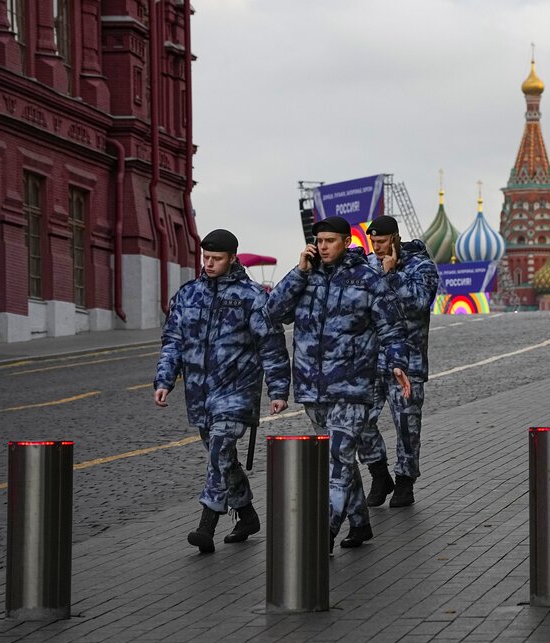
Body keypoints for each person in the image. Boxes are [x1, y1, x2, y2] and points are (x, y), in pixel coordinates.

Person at [267, 216, 412, 552]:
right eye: (319, 241)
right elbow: (272, 313)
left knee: (337, 460)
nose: (323, 247)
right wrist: (298, 272)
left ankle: (323, 535)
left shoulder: (367, 279)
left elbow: (391, 326)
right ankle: (359, 524)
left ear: (347, 241)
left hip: (351, 386)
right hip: (312, 388)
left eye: (330, 241)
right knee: (342, 461)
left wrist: (397, 364)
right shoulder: (306, 277)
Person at [153, 228, 290, 554]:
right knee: (223, 456)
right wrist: (164, 380)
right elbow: (173, 342)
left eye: (216, 258)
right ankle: (246, 514)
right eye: (206, 257)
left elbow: (271, 346)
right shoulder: (188, 295)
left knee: (219, 451)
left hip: (238, 390)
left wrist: (278, 390)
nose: (209, 263)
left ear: (232, 258)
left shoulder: (252, 297)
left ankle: (207, 524)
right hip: (200, 393)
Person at [357, 215, 440, 508]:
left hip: (407, 361)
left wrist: (392, 275)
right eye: (373, 241)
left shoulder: (422, 266)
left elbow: (418, 304)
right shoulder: (366, 265)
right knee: (359, 421)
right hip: (369, 360)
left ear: (395, 238)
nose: (377, 247)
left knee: (407, 425)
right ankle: (379, 474)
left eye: (381, 241)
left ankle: (405, 481)